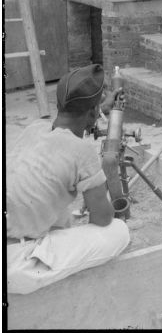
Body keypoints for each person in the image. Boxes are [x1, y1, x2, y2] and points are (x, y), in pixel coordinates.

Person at [7, 64, 130, 294]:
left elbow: (70, 124)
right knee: (119, 231)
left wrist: (97, 108)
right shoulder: (82, 151)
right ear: (92, 113)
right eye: (95, 110)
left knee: (60, 208)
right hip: (17, 266)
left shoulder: (34, 129)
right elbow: (103, 218)